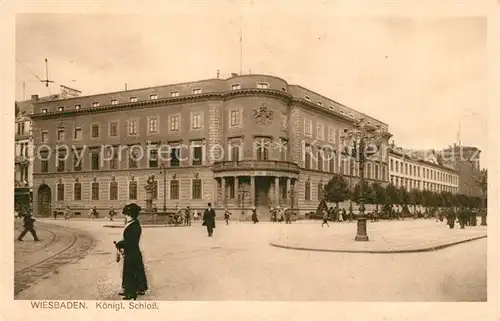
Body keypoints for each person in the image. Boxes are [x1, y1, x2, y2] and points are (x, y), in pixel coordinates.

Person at [115, 203, 148, 300]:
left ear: (131, 215)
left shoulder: (134, 226)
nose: (125, 216)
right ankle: (133, 289)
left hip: (132, 252)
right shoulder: (132, 223)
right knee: (133, 271)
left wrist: (120, 244)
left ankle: (131, 293)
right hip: (131, 251)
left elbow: (131, 241)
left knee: (131, 272)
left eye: (126, 215)